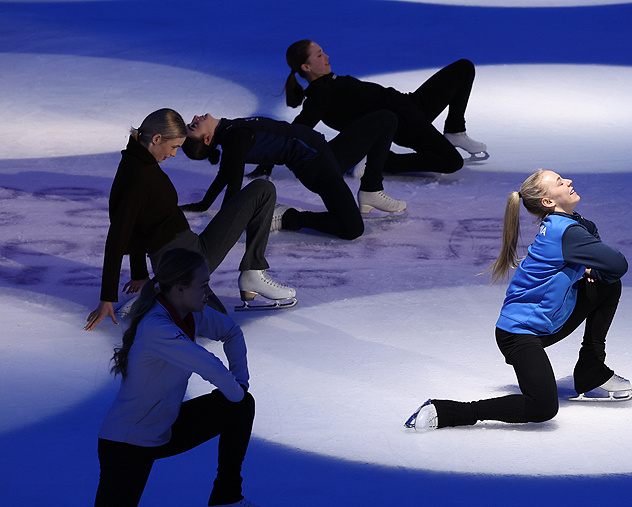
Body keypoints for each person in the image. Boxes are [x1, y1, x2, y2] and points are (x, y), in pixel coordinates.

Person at [1, 249, 276, 507]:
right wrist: (237, 393)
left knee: (240, 404)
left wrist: (241, 385)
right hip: (127, 446)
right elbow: (209, 366)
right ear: (180, 288)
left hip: (164, 428)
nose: (208, 292)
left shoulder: (189, 314)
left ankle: (227, 496)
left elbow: (231, 331)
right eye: (203, 285)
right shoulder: (156, 327)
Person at [405, 170, 632, 431]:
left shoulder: (564, 224)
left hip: (548, 320)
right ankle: (449, 412)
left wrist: (594, 272)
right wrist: (594, 271)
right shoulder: (566, 233)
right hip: (518, 333)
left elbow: (596, 243)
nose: (569, 182)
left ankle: (591, 369)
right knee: (542, 407)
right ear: (547, 202)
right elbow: (617, 264)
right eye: (560, 182)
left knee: (608, 285)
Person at [84, 108, 294, 332]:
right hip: (181, 268)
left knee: (263, 189)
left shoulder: (139, 163)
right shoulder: (138, 174)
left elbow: (138, 222)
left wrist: (139, 274)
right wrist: (107, 298)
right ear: (157, 138)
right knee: (220, 325)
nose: (174, 154)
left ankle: (252, 271)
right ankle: (159, 296)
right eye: (174, 146)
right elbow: (119, 233)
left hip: (195, 248)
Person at [267, 40, 487, 178]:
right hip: (405, 124)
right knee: (452, 162)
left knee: (464, 68)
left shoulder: (327, 83)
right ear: (306, 67)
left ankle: (455, 131)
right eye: (319, 55)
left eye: (323, 52)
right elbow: (298, 131)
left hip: (411, 103)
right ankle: (383, 161)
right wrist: (267, 161)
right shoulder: (320, 95)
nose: (326, 57)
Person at [180, 110, 405, 240]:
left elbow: (223, 178)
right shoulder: (233, 140)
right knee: (353, 229)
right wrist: (226, 222)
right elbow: (233, 181)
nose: (195, 118)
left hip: (328, 152)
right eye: (194, 126)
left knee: (386, 119)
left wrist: (203, 205)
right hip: (318, 168)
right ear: (207, 139)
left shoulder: (230, 131)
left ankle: (371, 188)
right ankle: (287, 217)